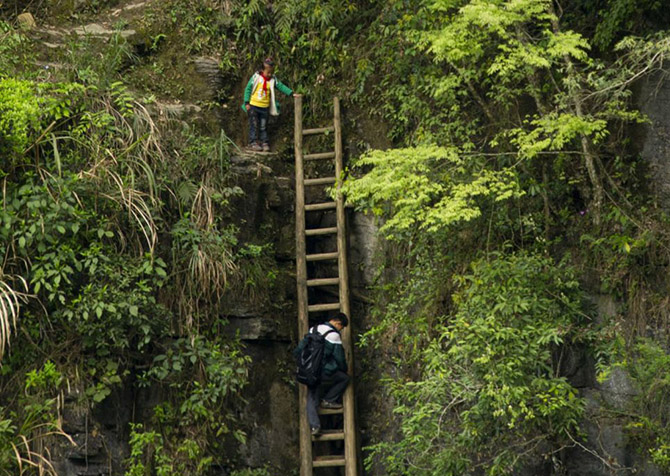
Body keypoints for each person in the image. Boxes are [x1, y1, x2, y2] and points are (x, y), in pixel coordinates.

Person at [295, 313, 350, 436]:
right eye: (342, 327)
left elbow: (299, 350)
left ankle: (315, 427)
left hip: (308, 372)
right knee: (344, 379)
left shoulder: (313, 329)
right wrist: (343, 369)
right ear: (337, 323)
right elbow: (340, 358)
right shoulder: (334, 335)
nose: (341, 330)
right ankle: (329, 400)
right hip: (323, 372)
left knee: (312, 397)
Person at [241, 57, 294, 152]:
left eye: (271, 72)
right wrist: (246, 102)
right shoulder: (256, 77)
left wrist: (291, 93)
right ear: (262, 70)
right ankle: (253, 142)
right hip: (253, 106)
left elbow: (281, 86)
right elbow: (248, 88)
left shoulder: (273, 80)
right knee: (254, 124)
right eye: (268, 72)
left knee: (263, 125)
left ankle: (264, 142)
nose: (269, 74)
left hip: (264, 107)